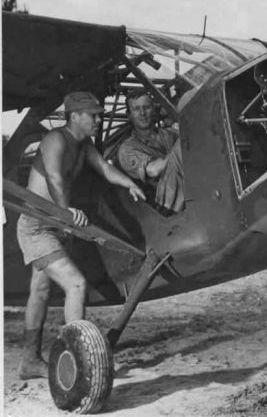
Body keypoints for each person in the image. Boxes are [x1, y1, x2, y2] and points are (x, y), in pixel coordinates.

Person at [16, 91, 146, 380]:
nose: (99, 119)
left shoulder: (83, 144)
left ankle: (29, 361)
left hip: (56, 226)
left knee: (40, 291)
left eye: (99, 114)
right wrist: (67, 214)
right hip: (38, 226)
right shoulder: (55, 140)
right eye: (93, 115)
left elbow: (104, 168)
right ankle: (80, 359)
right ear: (74, 116)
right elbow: (54, 177)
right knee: (76, 285)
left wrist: (129, 184)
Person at [117, 89, 185, 213]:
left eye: (146, 107)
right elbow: (153, 170)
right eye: (136, 109)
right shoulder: (127, 149)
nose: (142, 113)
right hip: (165, 208)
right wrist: (182, 145)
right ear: (129, 115)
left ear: (153, 110)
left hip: (187, 193)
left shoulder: (169, 135)